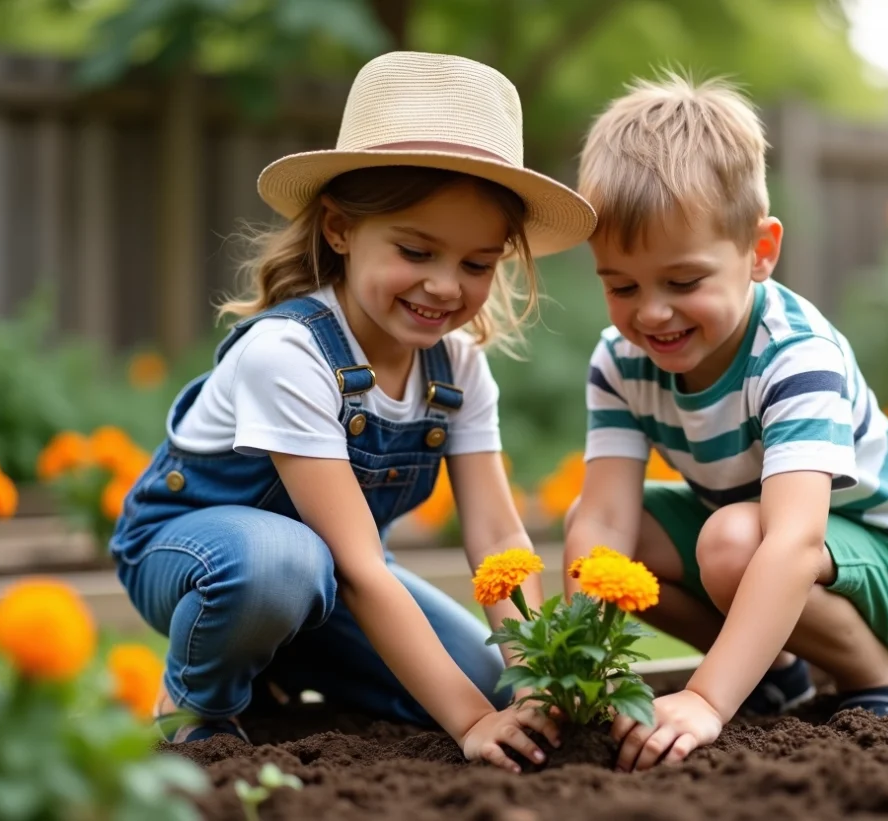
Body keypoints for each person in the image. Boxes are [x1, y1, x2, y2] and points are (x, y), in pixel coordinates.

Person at [109, 51, 597, 774]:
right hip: (199, 558)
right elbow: (363, 565)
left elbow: (498, 535)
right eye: (416, 249)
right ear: (339, 229)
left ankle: (274, 673)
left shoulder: (456, 368)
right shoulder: (290, 353)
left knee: (487, 675)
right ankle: (197, 710)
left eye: (475, 263)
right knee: (280, 562)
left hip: (333, 582)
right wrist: (469, 723)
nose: (444, 285)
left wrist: (532, 674)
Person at [563, 71, 888, 773]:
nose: (652, 312)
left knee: (735, 541)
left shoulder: (794, 355)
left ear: (760, 252)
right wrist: (583, 676)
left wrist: (707, 698)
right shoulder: (621, 361)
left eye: (683, 282)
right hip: (753, 547)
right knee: (603, 538)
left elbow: (795, 539)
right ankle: (774, 671)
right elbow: (604, 524)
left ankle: (881, 677)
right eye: (621, 285)